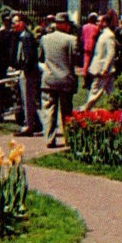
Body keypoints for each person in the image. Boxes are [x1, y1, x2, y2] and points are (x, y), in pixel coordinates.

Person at [38, 12, 81, 148]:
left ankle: (49, 138)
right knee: (66, 110)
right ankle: (68, 138)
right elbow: (74, 60)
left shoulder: (45, 38)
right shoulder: (71, 39)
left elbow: (41, 57)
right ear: (65, 24)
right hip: (65, 79)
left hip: (49, 78)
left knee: (48, 110)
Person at [80, 13, 118, 111]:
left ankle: (85, 108)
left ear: (104, 23)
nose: (97, 23)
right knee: (111, 91)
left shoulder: (109, 35)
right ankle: (117, 107)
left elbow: (111, 53)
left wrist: (105, 68)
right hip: (104, 68)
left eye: (99, 21)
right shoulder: (104, 34)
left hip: (103, 69)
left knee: (96, 89)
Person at [12, 13, 42, 136]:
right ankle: (36, 123)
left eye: (16, 22)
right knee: (26, 100)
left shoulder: (27, 37)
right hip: (24, 71)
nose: (14, 24)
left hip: (28, 73)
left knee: (27, 100)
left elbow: (29, 57)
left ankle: (29, 126)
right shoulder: (21, 36)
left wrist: (24, 68)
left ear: (22, 23)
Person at [80, 13, 100, 90]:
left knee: (85, 64)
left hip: (86, 47)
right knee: (92, 64)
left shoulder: (84, 27)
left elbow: (82, 37)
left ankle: (85, 81)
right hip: (93, 47)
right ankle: (89, 81)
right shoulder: (96, 28)